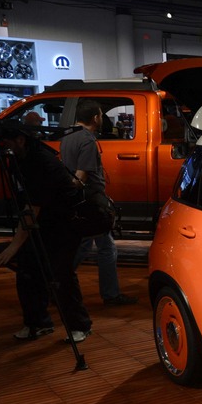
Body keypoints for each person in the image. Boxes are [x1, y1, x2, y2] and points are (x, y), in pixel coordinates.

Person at [0, 123, 92, 342]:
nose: (4, 146)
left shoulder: (40, 161)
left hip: (64, 222)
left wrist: (13, 246)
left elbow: (32, 209)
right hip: (44, 221)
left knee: (61, 274)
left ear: (20, 140)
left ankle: (80, 325)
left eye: (7, 141)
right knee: (27, 271)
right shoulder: (20, 157)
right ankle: (37, 323)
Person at [62, 100, 137, 306]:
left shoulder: (67, 137)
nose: (102, 118)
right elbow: (81, 176)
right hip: (90, 202)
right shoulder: (87, 141)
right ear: (96, 118)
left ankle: (57, 282)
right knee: (105, 248)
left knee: (85, 245)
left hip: (80, 202)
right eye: (101, 115)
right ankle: (109, 295)